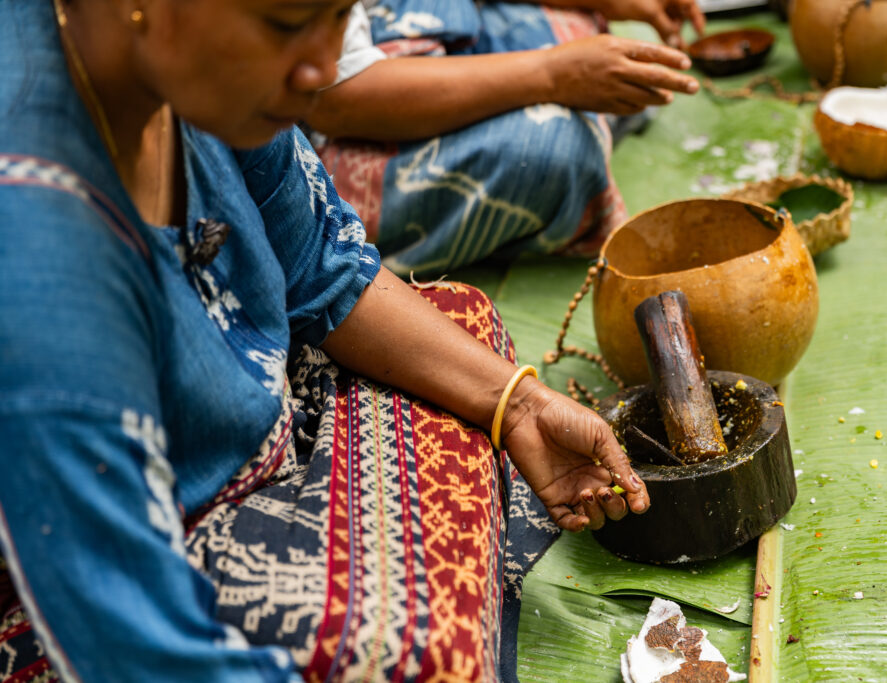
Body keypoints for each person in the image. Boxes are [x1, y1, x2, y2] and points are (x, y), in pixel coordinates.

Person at [0, 1, 651, 681]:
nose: (321, 72)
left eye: (340, 15)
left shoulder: (202, 71)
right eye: (286, 25)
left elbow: (317, 260)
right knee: (420, 658)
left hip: (251, 425)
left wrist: (516, 405)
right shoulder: (36, 244)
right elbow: (132, 639)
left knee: (460, 325)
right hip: (103, 579)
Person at [309, 0, 705, 276]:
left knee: (583, 36)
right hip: (330, 129)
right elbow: (330, 98)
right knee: (556, 149)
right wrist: (553, 74)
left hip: (398, 20)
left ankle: (589, 99)